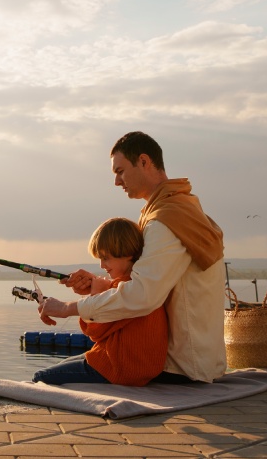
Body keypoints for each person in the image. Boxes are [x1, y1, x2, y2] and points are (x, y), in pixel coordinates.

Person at [38, 131, 227, 384]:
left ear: (144, 161)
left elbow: (142, 295)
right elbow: (148, 282)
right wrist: (100, 285)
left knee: (43, 379)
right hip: (198, 362)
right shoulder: (182, 208)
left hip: (180, 368)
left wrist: (67, 308)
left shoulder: (165, 221)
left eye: (120, 171)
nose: (117, 181)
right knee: (66, 367)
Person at [33, 218, 167, 386]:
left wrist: (96, 294)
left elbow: (95, 333)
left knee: (40, 377)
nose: (102, 265)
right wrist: (96, 290)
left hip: (121, 368)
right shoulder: (138, 285)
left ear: (128, 253)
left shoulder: (128, 292)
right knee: (62, 365)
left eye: (106, 258)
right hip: (135, 366)